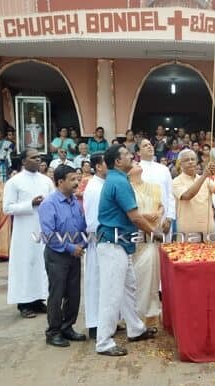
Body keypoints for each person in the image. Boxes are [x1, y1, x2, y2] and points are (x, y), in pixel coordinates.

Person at [95, 144, 158, 356]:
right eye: (127, 154)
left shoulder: (117, 179)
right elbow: (135, 216)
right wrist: (154, 232)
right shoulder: (119, 182)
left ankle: (135, 329)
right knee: (112, 294)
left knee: (128, 287)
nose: (132, 156)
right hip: (113, 244)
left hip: (119, 244)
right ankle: (103, 342)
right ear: (118, 161)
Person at [38, 165, 87, 347]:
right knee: (57, 294)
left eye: (77, 179)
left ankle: (67, 327)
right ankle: (53, 332)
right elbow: (49, 234)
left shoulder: (75, 202)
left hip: (75, 253)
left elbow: (82, 227)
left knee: (73, 294)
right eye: (72, 179)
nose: (77, 182)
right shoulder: (49, 204)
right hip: (57, 255)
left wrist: (82, 244)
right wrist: (69, 247)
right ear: (60, 182)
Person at [3, 149, 55, 318]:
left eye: (39, 157)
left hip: (43, 229)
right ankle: (24, 303)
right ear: (24, 162)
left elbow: (54, 202)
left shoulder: (46, 181)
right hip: (24, 232)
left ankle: (39, 299)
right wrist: (29, 204)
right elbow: (7, 208)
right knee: (25, 265)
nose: (38, 160)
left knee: (42, 264)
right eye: (33, 158)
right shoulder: (14, 182)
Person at [128, 162, 163, 326]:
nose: (137, 164)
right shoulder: (127, 189)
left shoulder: (154, 187)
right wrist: (144, 216)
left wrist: (158, 213)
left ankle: (152, 313)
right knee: (139, 275)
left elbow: (161, 206)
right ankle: (136, 315)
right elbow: (129, 212)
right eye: (134, 163)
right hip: (137, 236)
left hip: (153, 235)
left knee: (153, 274)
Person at [82, 153, 106, 340]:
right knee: (96, 282)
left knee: (107, 283)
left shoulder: (103, 184)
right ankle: (95, 325)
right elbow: (93, 220)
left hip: (108, 239)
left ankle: (106, 321)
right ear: (98, 166)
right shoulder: (94, 188)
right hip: (98, 239)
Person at [172, 149, 215, 235]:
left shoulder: (205, 179)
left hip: (208, 229)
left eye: (193, 159)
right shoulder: (176, 181)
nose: (190, 162)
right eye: (186, 160)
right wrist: (204, 176)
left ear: (196, 161)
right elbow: (187, 196)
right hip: (188, 230)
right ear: (180, 163)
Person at [137, 139, 175, 238]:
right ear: (138, 152)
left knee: (165, 251)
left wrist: (169, 218)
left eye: (150, 144)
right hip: (143, 220)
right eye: (145, 146)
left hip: (164, 219)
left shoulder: (164, 169)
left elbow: (170, 194)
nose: (149, 146)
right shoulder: (135, 170)